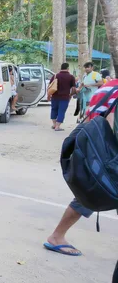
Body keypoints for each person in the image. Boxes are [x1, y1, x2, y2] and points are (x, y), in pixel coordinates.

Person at [44, 78, 118, 257]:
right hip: (108, 156)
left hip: (95, 152)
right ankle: (56, 236)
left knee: (89, 196)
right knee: (92, 196)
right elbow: (110, 122)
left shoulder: (108, 87)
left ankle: (57, 236)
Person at [48, 63, 77, 131]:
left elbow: (50, 86)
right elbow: (73, 88)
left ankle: (54, 124)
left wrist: (48, 95)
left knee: (54, 109)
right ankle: (57, 126)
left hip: (54, 97)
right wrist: (70, 95)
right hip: (64, 97)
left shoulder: (55, 76)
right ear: (67, 68)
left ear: (61, 68)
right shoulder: (71, 77)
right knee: (61, 111)